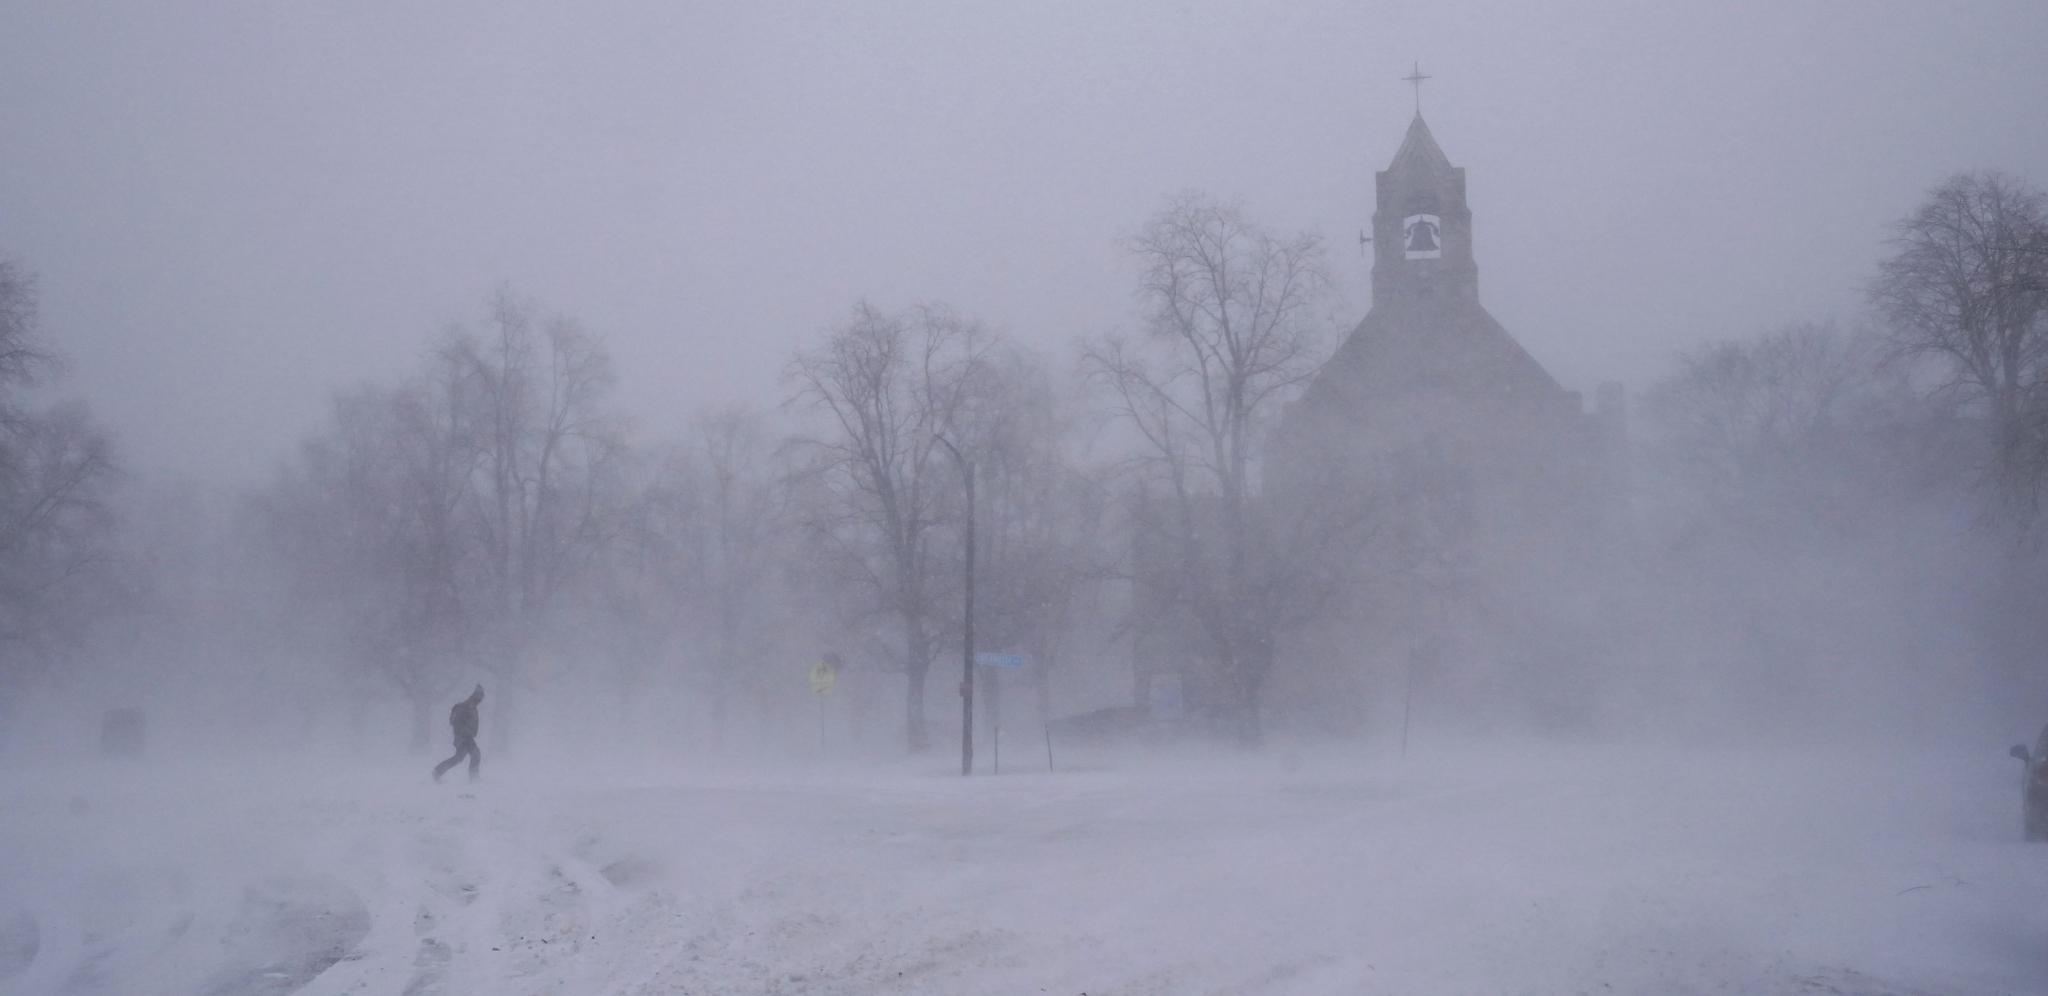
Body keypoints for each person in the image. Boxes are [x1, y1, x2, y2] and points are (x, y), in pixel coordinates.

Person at [432, 685, 485, 783]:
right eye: (481, 696)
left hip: (465, 736)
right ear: (477, 696)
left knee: (463, 757)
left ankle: (438, 771)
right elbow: (457, 722)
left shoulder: (471, 706)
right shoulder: (467, 706)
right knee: (471, 755)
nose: (482, 699)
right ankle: (474, 778)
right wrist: (463, 734)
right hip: (464, 737)